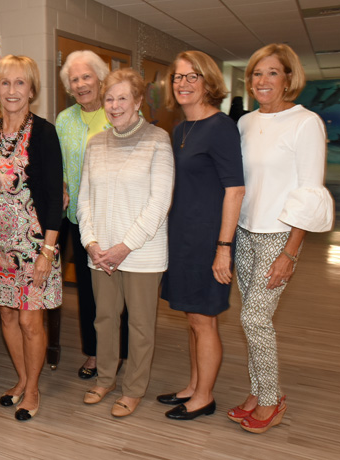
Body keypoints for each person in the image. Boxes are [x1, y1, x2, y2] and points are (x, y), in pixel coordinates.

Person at [229, 44, 334, 433]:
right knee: (252, 318)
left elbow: (310, 189)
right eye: (257, 73)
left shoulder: (305, 123)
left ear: (289, 78)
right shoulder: (245, 122)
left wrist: (290, 253)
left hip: (280, 234)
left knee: (255, 317)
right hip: (244, 231)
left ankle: (271, 400)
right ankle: (258, 391)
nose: (263, 81)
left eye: (272, 73)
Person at [77, 68, 174, 417]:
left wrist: (124, 246)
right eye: (109, 98)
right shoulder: (96, 143)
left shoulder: (157, 140)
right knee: (104, 319)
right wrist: (90, 242)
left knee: (140, 325)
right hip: (100, 253)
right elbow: (84, 198)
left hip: (142, 253)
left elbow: (159, 203)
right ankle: (105, 378)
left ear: (137, 102)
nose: (115, 105)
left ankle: (133, 388)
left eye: (122, 98)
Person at [158, 51, 245, 420]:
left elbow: (235, 190)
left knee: (204, 319)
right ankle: (194, 386)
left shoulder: (221, 126)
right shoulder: (180, 129)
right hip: (182, 235)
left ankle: (204, 397)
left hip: (209, 238)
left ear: (208, 82)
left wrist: (223, 248)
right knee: (193, 318)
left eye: (192, 77)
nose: (183, 84)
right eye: (178, 77)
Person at [0, 55, 64, 421]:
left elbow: (54, 197)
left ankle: (32, 390)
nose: (12, 91)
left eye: (20, 83)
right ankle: (23, 379)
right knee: (7, 318)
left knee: (30, 321)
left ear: (32, 89)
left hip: (33, 247)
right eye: (5, 83)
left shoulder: (43, 133)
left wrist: (47, 249)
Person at [56, 50, 110, 380]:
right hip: (73, 218)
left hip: (110, 217)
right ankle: (92, 353)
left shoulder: (117, 111)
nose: (81, 84)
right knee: (87, 292)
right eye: (74, 79)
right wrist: (61, 184)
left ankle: (119, 352)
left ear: (100, 79)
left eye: (86, 76)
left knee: (113, 290)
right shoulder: (64, 119)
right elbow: (60, 164)